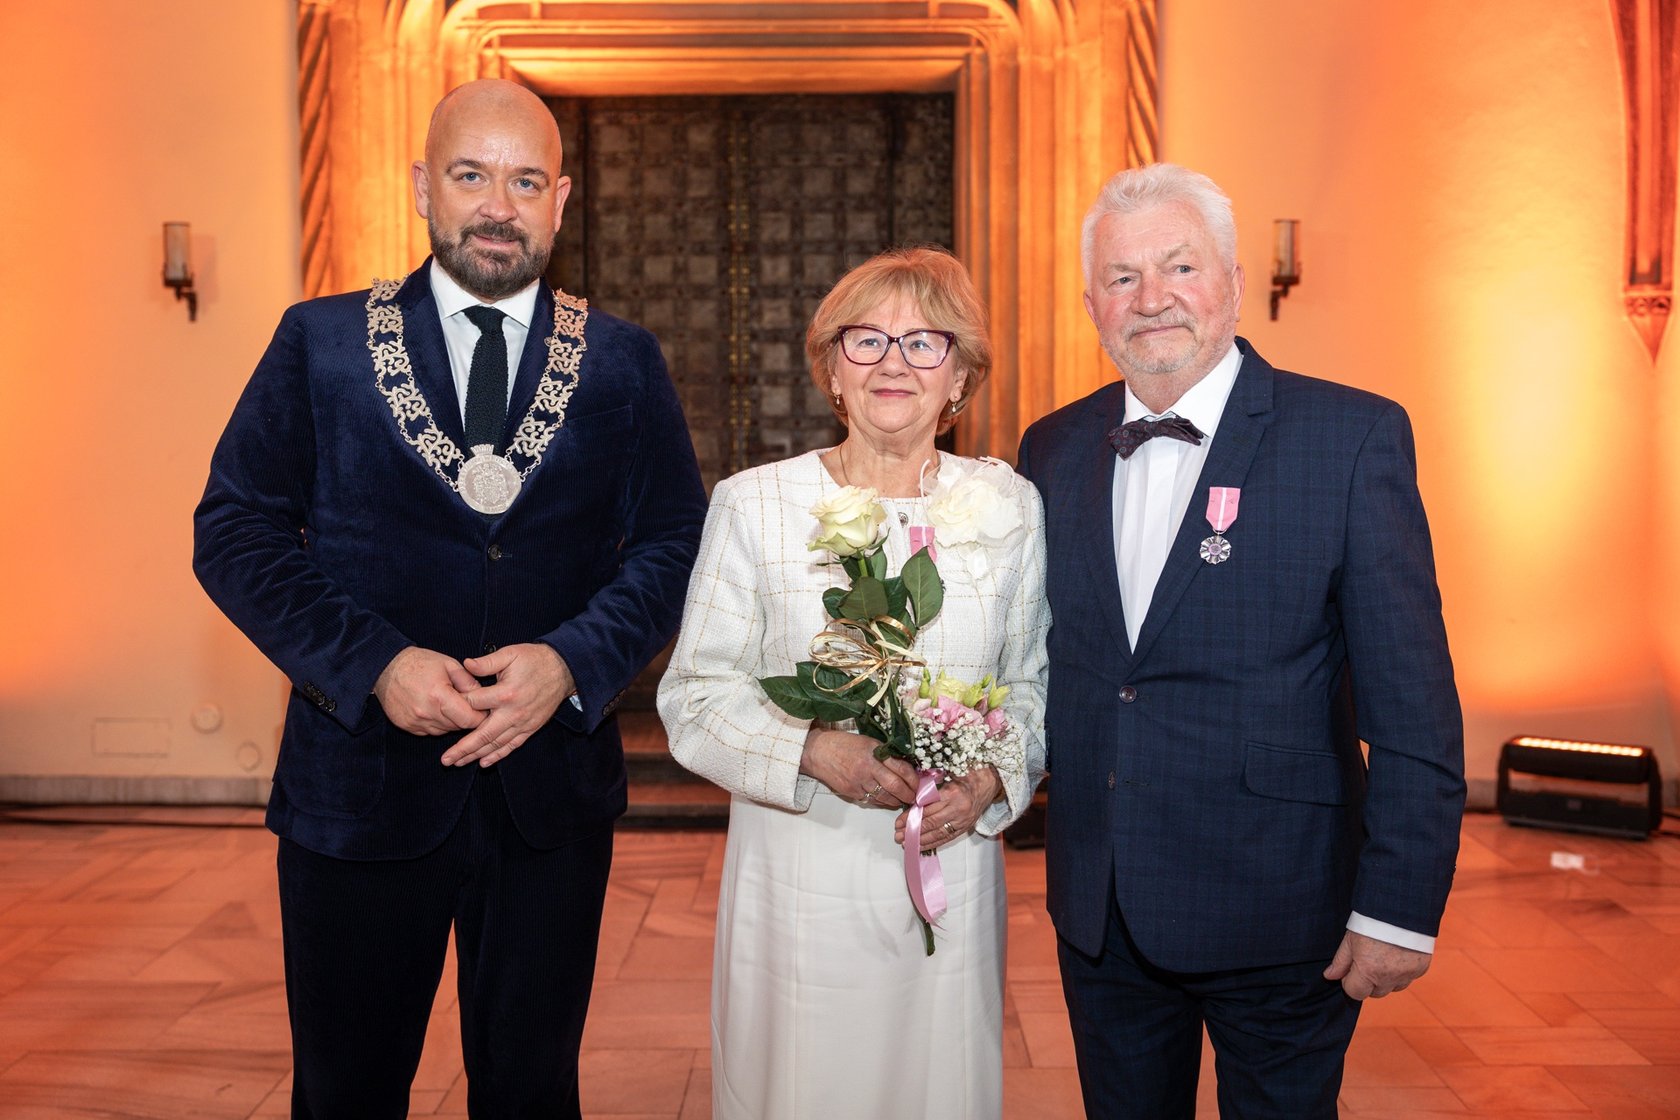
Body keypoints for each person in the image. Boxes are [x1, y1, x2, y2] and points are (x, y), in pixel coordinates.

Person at [192, 79, 706, 1118]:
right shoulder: (320, 343)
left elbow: (674, 543)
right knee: (346, 1091)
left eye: (526, 182)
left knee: (532, 1091)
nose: (498, 207)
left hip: (549, 800)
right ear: (425, 186)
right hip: (358, 792)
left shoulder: (623, 360)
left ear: (561, 199)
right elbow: (235, 531)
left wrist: (572, 662)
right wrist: (375, 663)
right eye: (472, 176)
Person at [1016, 164, 1465, 1119]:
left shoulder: (1350, 436)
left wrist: (1399, 908)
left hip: (1284, 907)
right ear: (1092, 304)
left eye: (1179, 266)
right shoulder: (1049, 448)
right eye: (1123, 277)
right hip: (1103, 908)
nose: (1152, 298)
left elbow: (1414, 701)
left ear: (1231, 279)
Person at [658, 246, 1049, 1119]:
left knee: (939, 1084)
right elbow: (694, 696)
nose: (892, 363)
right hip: (802, 858)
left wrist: (988, 782)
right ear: (832, 369)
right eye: (865, 340)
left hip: (951, 861)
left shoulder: (1011, 507)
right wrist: (812, 750)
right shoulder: (754, 503)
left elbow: (1031, 684)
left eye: (924, 342)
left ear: (961, 375)